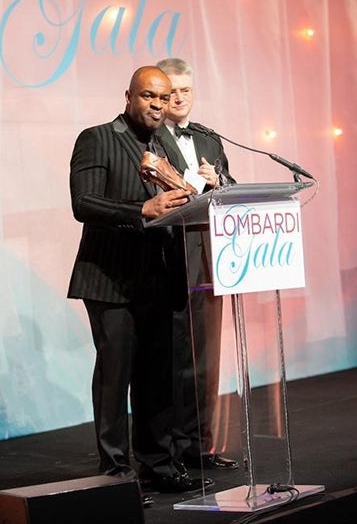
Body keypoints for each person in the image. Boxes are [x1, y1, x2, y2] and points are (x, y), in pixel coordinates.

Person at [67, 66, 214, 504]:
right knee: (116, 378)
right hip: (111, 278)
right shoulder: (97, 137)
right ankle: (114, 472)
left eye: (163, 98)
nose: (157, 104)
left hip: (159, 277)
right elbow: (84, 203)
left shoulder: (166, 142)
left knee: (157, 378)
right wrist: (141, 211)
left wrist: (206, 191)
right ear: (128, 95)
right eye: (148, 96)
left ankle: (159, 465)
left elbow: (183, 195)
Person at [156, 57, 239, 471]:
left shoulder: (208, 138)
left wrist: (218, 180)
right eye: (171, 91)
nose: (179, 98)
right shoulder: (148, 138)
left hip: (209, 256)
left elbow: (232, 187)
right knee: (174, 356)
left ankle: (200, 446)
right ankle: (171, 449)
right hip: (169, 256)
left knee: (206, 356)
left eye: (185, 90)